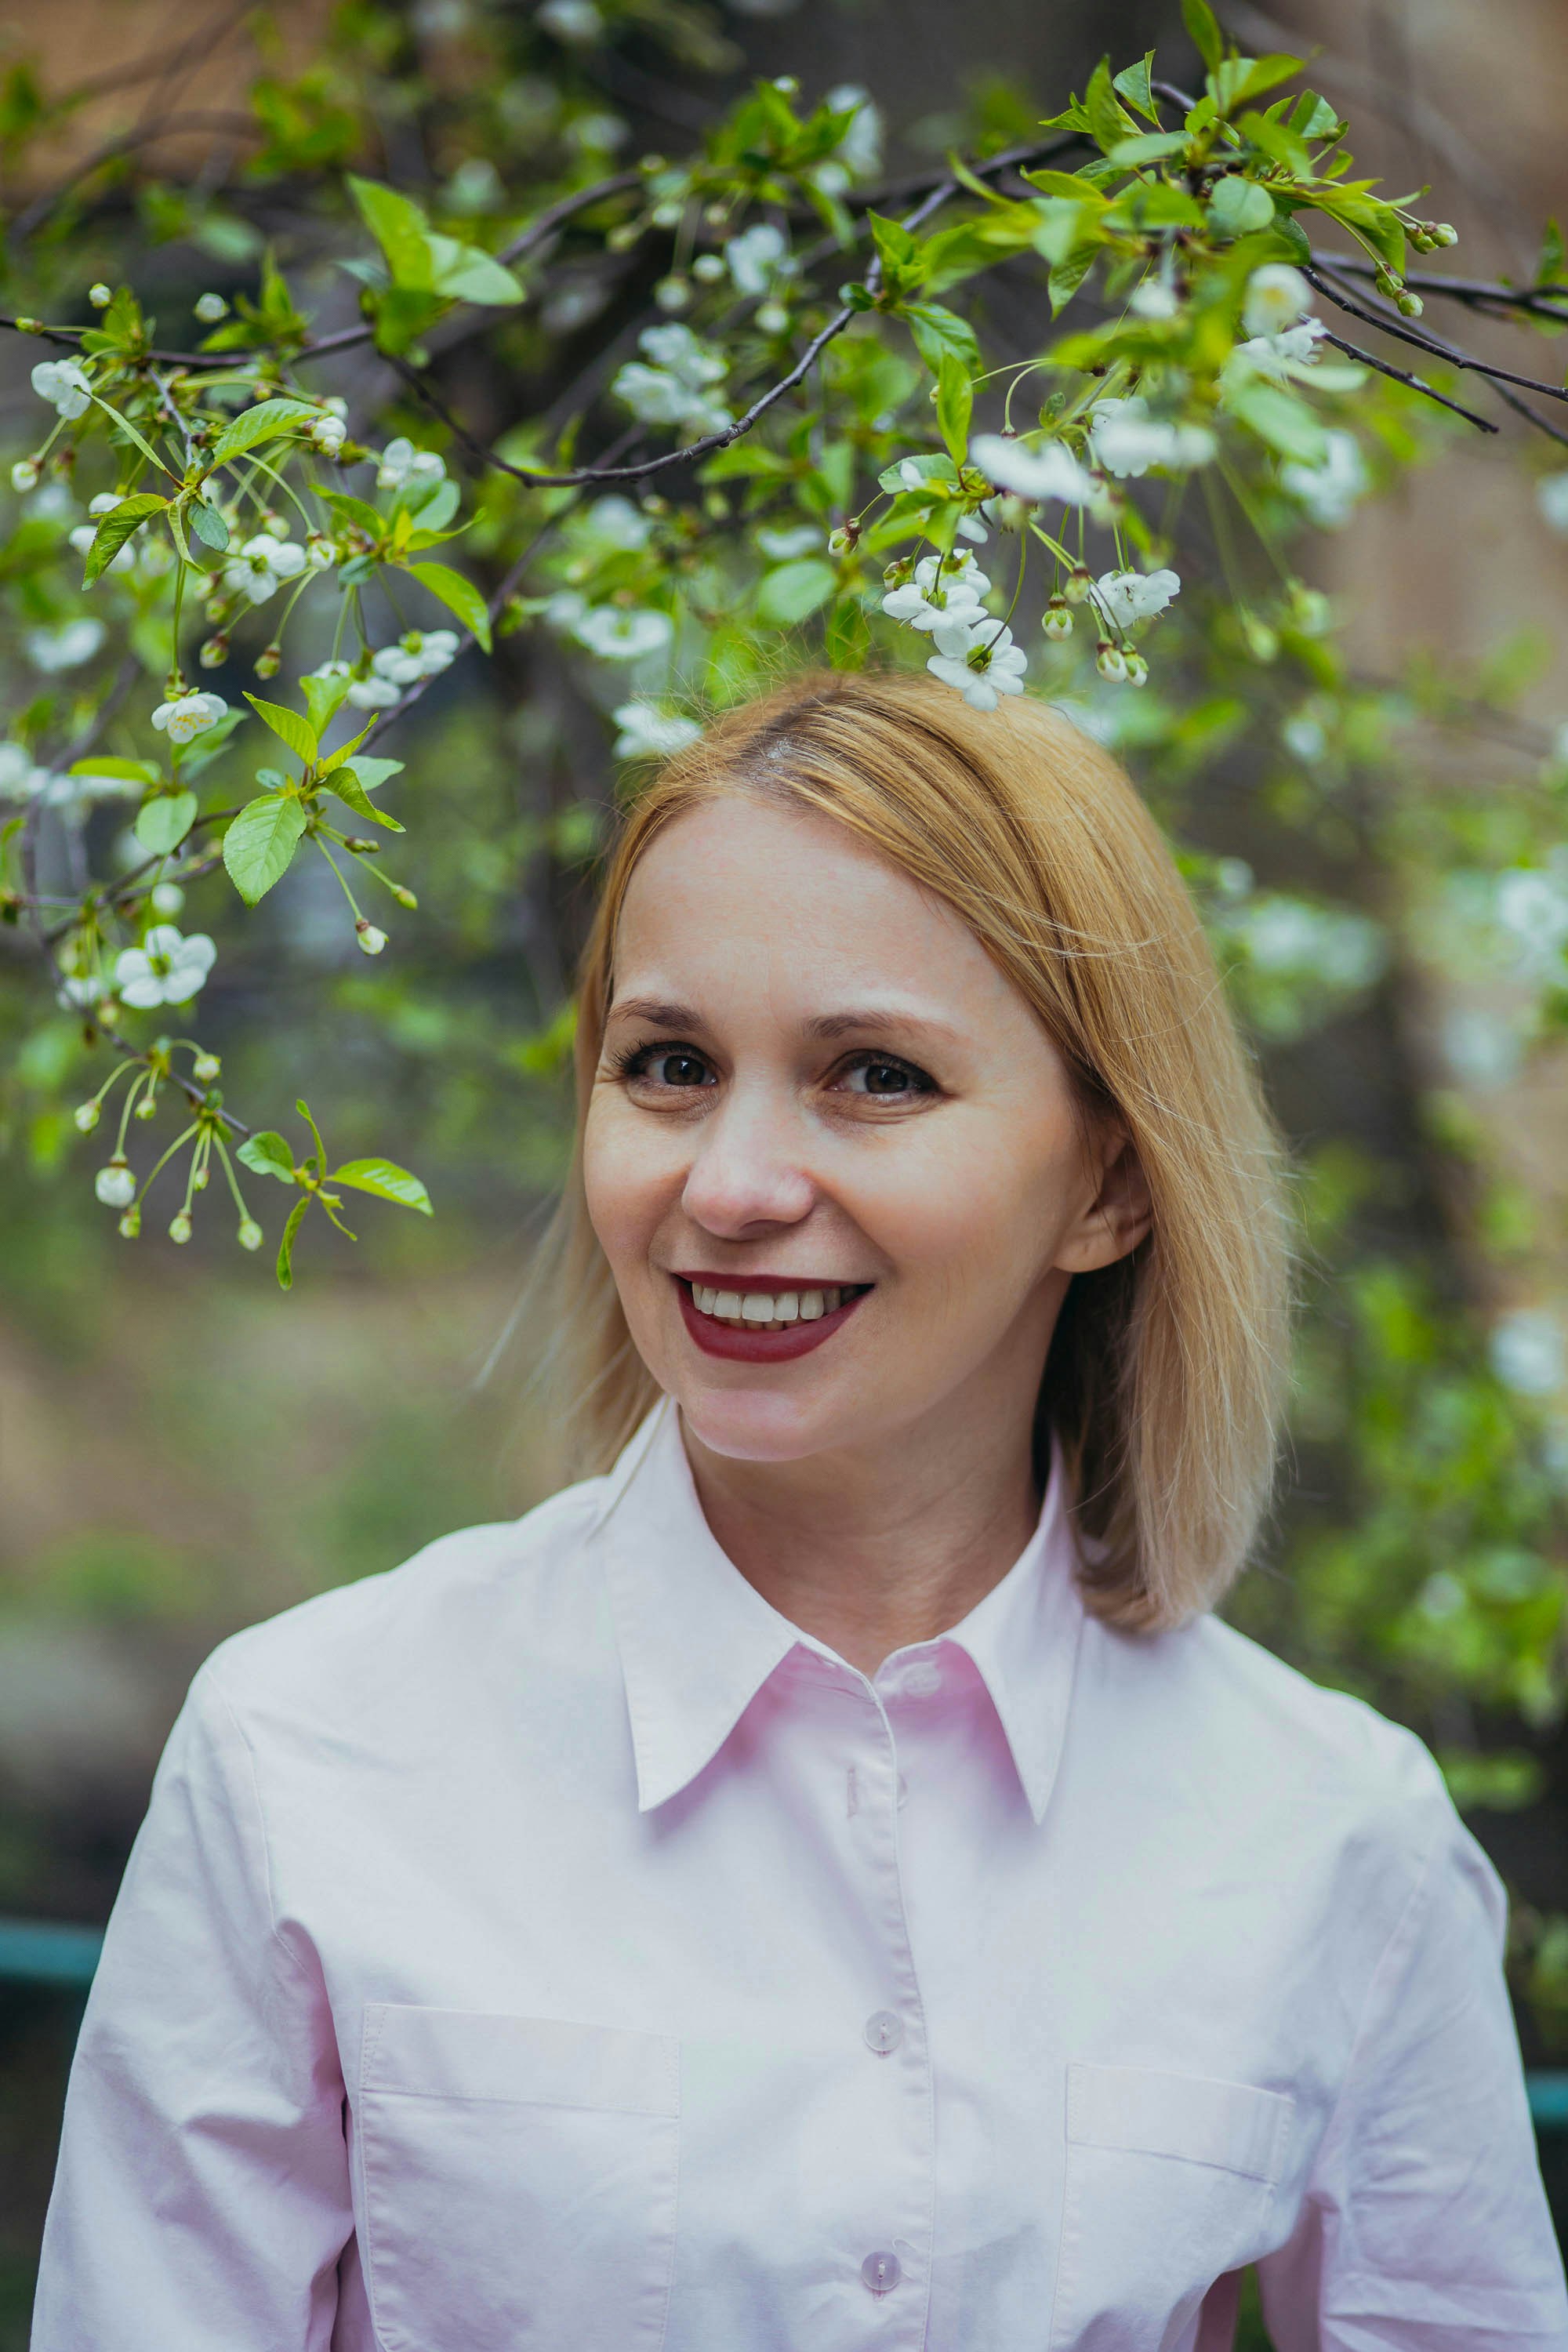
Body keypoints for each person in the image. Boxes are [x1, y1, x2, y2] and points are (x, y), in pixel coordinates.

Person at [33, 672, 1568, 2350]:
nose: (733, 1187)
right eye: (670, 1064)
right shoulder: (303, 1759)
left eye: (877, 1077)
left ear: (1110, 1183)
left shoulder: (1336, 1839)